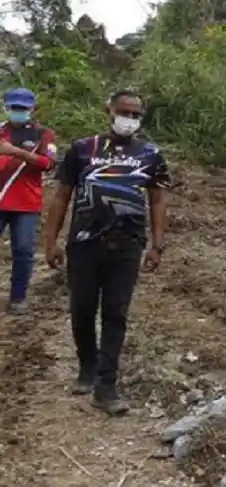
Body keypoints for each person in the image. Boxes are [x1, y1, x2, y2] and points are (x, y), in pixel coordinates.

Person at [43, 91, 171, 415]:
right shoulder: (83, 149)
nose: (129, 118)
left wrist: (157, 245)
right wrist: (50, 241)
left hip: (127, 245)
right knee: (82, 309)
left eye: (136, 114)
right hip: (84, 243)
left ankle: (106, 385)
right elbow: (61, 197)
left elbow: (157, 200)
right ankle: (87, 365)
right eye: (124, 111)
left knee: (116, 314)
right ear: (109, 111)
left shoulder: (151, 154)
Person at [0, 87, 57, 314]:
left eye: (23, 108)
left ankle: (18, 296)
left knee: (23, 250)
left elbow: (48, 163)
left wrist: (17, 152)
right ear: (6, 108)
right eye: (14, 107)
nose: (19, 111)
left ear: (32, 109)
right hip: (1, 198)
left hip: (26, 204)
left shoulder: (43, 135)